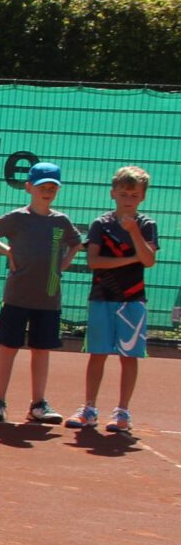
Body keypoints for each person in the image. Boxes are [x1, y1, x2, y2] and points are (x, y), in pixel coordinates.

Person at [0, 162, 81, 426]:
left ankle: (38, 404)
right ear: (29, 187)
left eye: (52, 187)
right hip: (17, 295)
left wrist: (62, 266)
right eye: (42, 187)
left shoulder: (61, 221)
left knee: (41, 350)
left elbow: (76, 243)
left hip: (49, 298)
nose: (47, 191)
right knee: (9, 348)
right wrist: (8, 252)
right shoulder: (17, 218)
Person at [78, 165, 158, 435]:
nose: (128, 199)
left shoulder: (147, 225)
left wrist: (134, 232)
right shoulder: (101, 224)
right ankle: (89, 408)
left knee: (129, 357)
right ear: (113, 193)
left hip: (133, 301)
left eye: (134, 195)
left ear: (142, 197)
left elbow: (148, 260)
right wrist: (131, 258)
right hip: (102, 298)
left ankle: (123, 411)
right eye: (123, 193)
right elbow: (94, 261)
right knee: (97, 354)